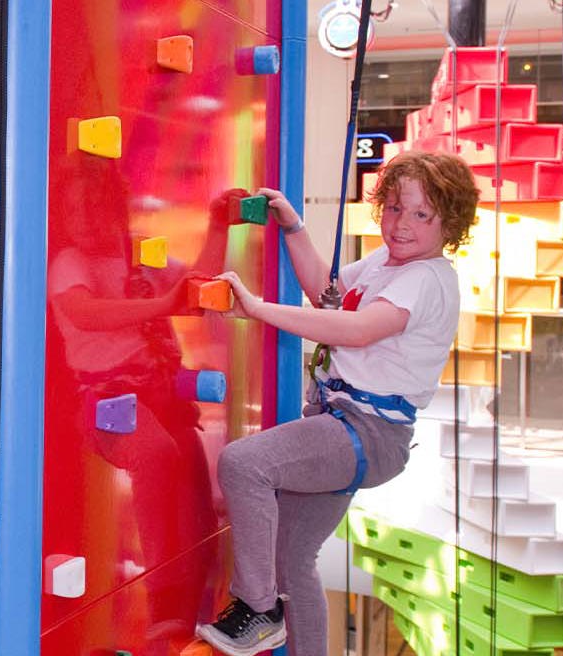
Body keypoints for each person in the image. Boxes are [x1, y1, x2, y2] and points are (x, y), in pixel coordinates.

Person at [193, 151, 474, 656]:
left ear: (449, 222)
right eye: (392, 208)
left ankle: (258, 608)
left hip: (364, 432)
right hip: (345, 429)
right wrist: (294, 228)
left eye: (420, 214)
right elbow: (328, 293)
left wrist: (258, 309)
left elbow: (360, 329)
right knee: (292, 558)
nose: (400, 225)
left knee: (245, 463)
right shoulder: (386, 264)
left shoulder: (428, 278)